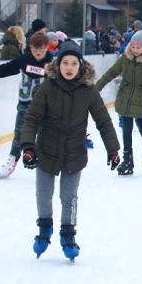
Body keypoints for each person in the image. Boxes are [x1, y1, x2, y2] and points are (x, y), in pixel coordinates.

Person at [20, 42, 120, 261]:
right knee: (43, 193)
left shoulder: (89, 91)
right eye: (65, 62)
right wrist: (28, 146)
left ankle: (68, 233)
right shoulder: (47, 87)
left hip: (74, 153)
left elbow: (103, 121)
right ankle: (44, 227)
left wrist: (113, 149)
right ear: (58, 64)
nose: (69, 67)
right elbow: (32, 118)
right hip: (46, 150)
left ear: (81, 66)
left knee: (69, 197)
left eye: (74, 63)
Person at [0, 32, 53, 178]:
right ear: (30, 47)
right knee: (19, 133)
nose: (38, 52)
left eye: (41, 49)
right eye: (35, 49)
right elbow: (8, 67)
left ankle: (49, 162)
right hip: (25, 104)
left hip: (45, 106)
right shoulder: (25, 59)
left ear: (47, 48)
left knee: (48, 133)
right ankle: (12, 160)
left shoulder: (52, 64)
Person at [96, 30, 142, 175]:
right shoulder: (125, 58)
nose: (135, 50)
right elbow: (111, 72)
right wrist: (98, 86)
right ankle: (128, 160)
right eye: (133, 46)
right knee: (126, 131)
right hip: (125, 100)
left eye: (138, 47)